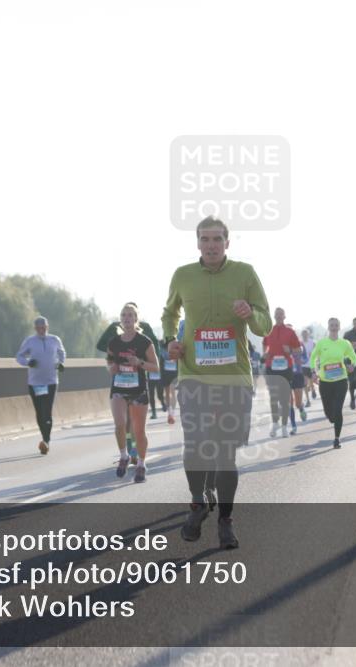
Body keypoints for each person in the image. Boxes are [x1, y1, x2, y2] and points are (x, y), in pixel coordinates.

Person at [163, 216, 271, 549]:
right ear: (197, 243)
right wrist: (170, 340)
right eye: (205, 239)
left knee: (225, 453)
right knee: (195, 446)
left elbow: (265, 325)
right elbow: (170, 313)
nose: (211, 245)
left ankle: (225, 520)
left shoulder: (245, 273)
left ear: (227, 242)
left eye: (217, 239)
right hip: (193, 375)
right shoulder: (183, 275)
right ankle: (197, 502)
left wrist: (249, 314)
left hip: (234, 378)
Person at [96, 306, 160, 462]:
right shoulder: (114, 342)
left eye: (130, 315)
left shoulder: (144, 341)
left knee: (138, 430)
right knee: (120, 424)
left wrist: (139, 362)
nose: (126, 318)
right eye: (123, 315)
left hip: (138, 390)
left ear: (136, 319)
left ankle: (141, 463)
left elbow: (155, 367)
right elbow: (109, 364)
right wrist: (112, 368)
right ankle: (124, 455)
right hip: (119, 388)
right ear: (120, 320)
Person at [16, 316, 66, 455]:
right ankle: (45, 439)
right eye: (38, 328)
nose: (41, 330)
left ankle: (46, 441)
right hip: (35, 383)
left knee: (48, 411)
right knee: (40, 411)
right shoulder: (30, 341)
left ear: (47, 327)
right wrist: (28, 362)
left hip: (51, 381)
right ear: (35, 329)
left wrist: (61, 363)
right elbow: (19, 356)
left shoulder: (55, 340)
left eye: (43, 327)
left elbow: (62, 353)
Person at [309, 318, 356, 448]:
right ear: (328, 327)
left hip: (341, 380)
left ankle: (337, 439)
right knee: (329, 413)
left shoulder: (344, 343)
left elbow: (354, 357)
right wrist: (313, 372)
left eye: (336, 325)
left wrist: (352, 365)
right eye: (332, 325)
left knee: (338, 409)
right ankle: (333, 418)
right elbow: (313, 358)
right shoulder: (321, 343)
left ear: (339, 327)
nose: (334, 327)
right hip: (325, 382)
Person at [262, 308, 300, 438]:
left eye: (280, 314)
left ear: (284, 316)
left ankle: (284, 427)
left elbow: (298, 350)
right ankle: (275, 423)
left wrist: (289, 349)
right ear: (274, 316)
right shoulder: (268, 331)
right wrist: (266, 353)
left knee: (284, 400)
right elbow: (265, 346)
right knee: (273, 398)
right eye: (276, 314)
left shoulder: (290, 332)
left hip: (286, 369)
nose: (278, 316)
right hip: (271, 368)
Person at [300, 328, 317, 406]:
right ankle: (308, 400)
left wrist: (313, 353)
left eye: (306, 334)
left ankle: (313, 389)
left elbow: (317, 351)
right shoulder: (300, 343)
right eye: (303, 334)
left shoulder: (312, 342)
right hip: (303, 365)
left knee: (311, 381)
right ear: (302, 335)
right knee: (304, 383)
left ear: (308, 334)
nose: (305, 336)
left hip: (311, 365)